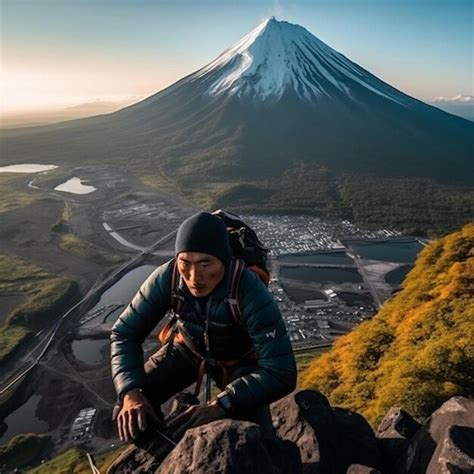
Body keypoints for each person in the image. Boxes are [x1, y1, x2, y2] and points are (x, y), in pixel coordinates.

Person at [110, 212, 297, 443]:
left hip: (241, 362)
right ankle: (162, 454)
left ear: (224, 261)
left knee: (254, 440)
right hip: (189, 350)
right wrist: (130, 392)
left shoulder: (248, 289)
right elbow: (124, 333)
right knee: (130, 410)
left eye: (204, 264)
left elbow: (282, 372)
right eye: (185, 263)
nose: (193, 277)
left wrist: (222, 404)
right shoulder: (168, 277)